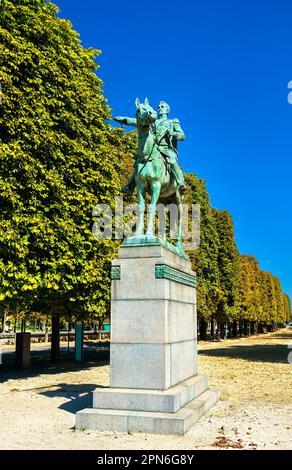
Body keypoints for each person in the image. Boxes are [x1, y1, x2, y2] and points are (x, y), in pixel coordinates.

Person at [114, 100, 186, 194]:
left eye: (162, 107)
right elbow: (137, 121)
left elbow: (182, 136)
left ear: (167, 110)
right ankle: (130, 186)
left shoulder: (172, 122)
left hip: (167, 149)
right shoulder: (152, 121)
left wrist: (172, 133)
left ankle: (180, 183)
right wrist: (124, 119)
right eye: (159, 107)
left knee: (171, 160)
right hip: (154, 147)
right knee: (139, 163)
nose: (160, 109)